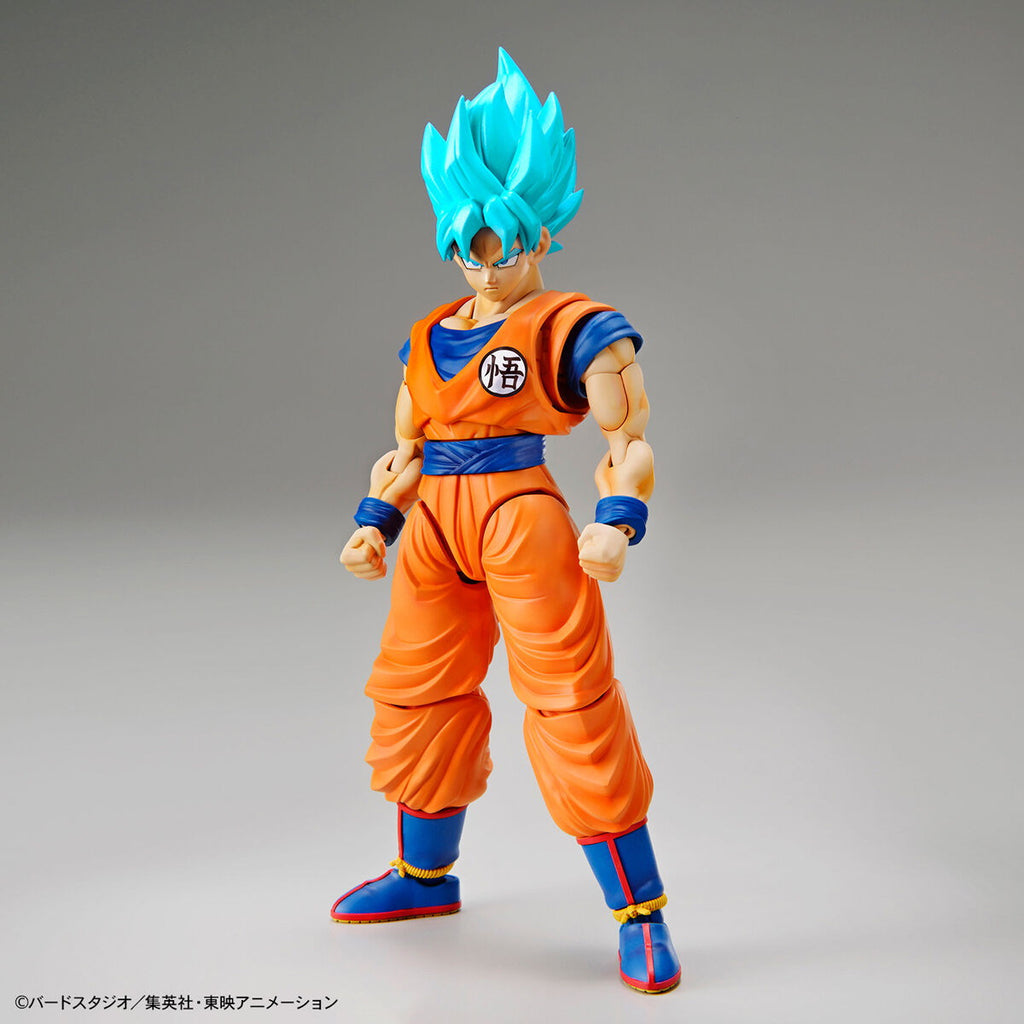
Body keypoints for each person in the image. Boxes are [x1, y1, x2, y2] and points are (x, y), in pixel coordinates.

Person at [330, 49, 680, 994]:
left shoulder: (575, 326)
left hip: (522, 517)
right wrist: (375, 522)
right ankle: (423, 877)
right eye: (470, 248)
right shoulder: (427, 336)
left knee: (571, 700)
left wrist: (617, 521)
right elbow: (404, 449)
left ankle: (640, 912)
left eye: (503, 248)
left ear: (539, 235)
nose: (485, 266)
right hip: (435, 528)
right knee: (417, 694)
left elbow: (628, 438)